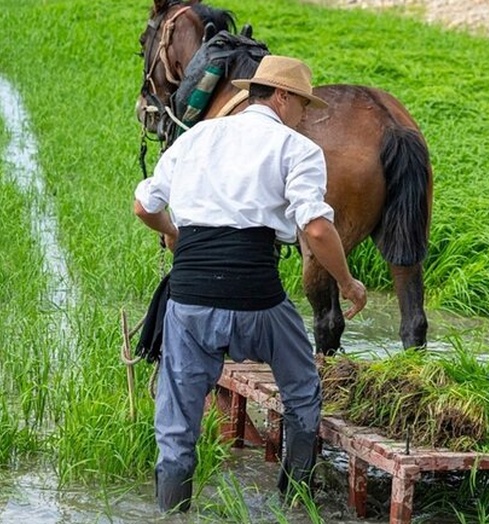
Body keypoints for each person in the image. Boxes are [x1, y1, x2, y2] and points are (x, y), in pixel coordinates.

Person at [133, 55, 368, 513]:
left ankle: (170, 512)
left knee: (178, 420)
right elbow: (316, 229)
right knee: (302, 393)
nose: (304, 117)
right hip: (259, 300)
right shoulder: (295, 149)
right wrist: (347, 282)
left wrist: (176, 234)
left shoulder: (197, 136)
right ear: (282, 97)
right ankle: (292, 503)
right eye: (303, 105)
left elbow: (143, 206)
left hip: (192, 300)